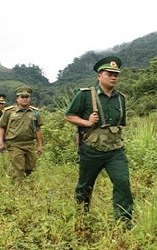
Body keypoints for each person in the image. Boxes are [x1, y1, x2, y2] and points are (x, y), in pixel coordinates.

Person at [65, 56, 134, 227]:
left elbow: (120, 124)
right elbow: (69, 116)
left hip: (115, 149)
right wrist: (86, 122)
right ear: (99, 76)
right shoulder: (85, 95)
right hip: (91, 149)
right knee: (85, 186)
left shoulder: (121, 98)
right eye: (109, 73)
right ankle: (82, 216)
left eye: (116, 74)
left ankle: (124, 222)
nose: (113, 77)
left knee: (122, 182)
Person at [0, 86, 43, 181]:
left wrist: (40, 145)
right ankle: (18, 189)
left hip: (29, 144)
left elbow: (38, 130)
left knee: (30, 167)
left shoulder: (35, 113)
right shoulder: (9, 112)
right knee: (19, 167)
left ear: (30, 98)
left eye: (27, 97)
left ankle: (12, 175)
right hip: (14, 143)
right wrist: (0, 141)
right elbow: (1, 127)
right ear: (17, 99)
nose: (24, 99)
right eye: (22, 97)